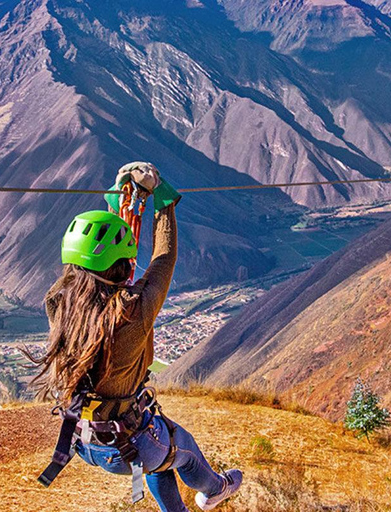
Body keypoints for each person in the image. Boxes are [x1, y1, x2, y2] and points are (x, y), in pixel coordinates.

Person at [29, 162, 241, 512]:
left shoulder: (59, 305)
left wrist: (120, 204)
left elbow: (83, 271)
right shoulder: (133, 312)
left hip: (82, 441)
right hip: (127, 445)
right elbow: (164, 258)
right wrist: (164, 201)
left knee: (162, 453)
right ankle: (216, 488)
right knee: (181, 450)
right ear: (126, 268)